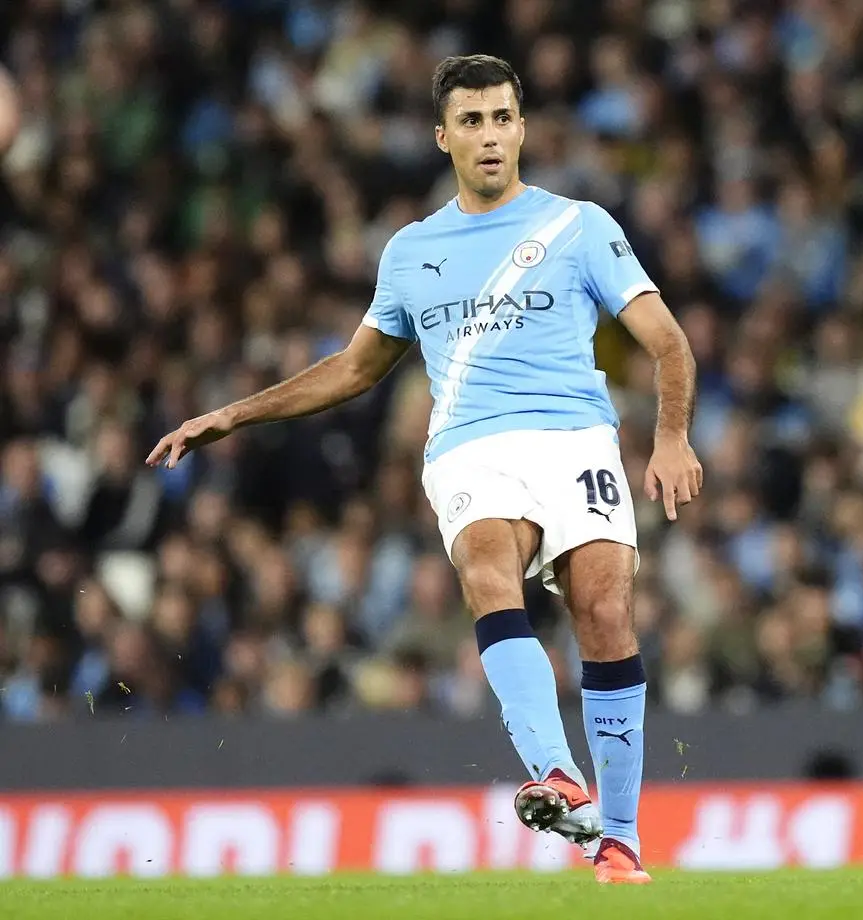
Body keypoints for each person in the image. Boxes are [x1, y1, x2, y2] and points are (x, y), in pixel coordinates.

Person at [146, 54, 701, 884]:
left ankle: (616, 840)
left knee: (605, 610)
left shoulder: (579, 226)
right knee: (487, 562)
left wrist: (672, 437)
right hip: (470, 441)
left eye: (502, 118)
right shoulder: (411, 250)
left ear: (522, 128)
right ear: (444, 137)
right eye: (471, 121)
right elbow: (354, 368)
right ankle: (556, 773)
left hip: (576, 437)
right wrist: (235, 412)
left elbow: (667, 341)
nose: (490, 135)